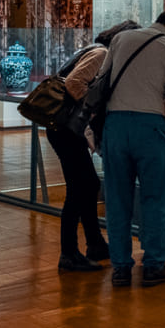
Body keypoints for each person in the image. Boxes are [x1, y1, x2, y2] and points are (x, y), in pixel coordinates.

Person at [100, 6, 165, 288]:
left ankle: (120, 268)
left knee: (117, 200)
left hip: (116, 126)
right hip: (153, 129)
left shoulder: (122, 39)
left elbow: (103, 80)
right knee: (155, 200)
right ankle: (153, 265)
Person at [48, 20, 139, 272]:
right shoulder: (102, 54)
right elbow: (74, 83)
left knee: (87, 185)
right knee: (81, 188)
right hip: (66, 128)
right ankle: (69, 253)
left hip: (66, 129)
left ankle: (94, 243)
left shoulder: (98, 52)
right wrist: (93, 108)